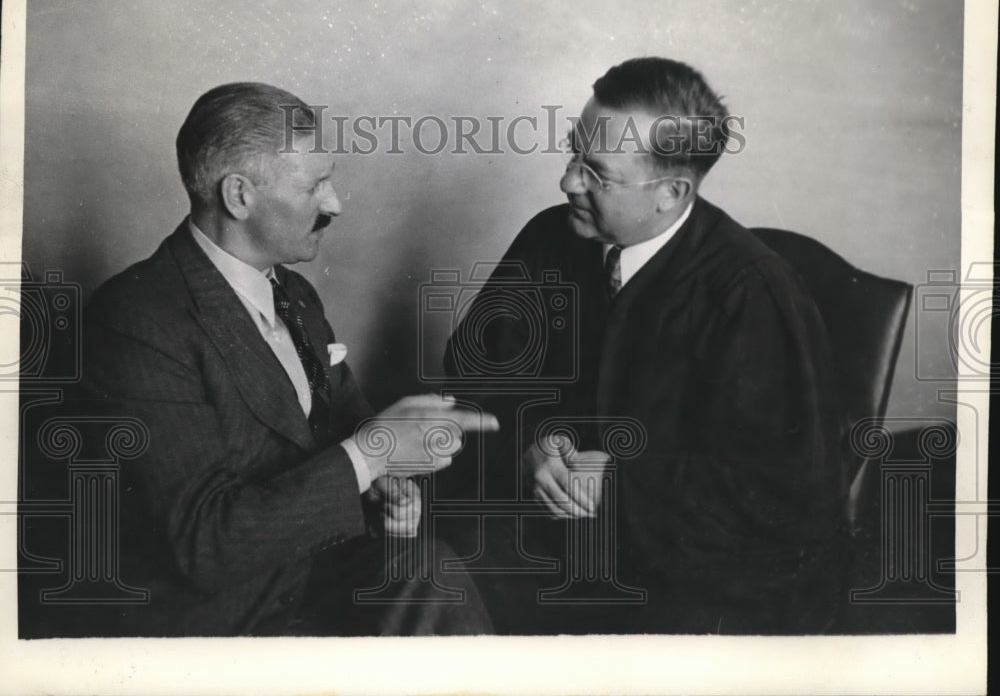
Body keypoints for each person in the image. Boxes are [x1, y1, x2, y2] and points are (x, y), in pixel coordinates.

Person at [443, 57, 850, 634]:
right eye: (573, 154)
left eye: (596, 173)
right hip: (554, 533)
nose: (568, 182)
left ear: (671, 192)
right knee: (426, 573)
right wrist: (533, 441)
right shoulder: (548, 239)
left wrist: (618, 480)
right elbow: (473, 372)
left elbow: (782, 492)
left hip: (694, 576)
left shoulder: (751, 294)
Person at [74, 82, 498, 636]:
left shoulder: (295, 295)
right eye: (315, 186)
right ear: (239, 197)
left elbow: (346, 445)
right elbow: (206, 547)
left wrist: (387, 490)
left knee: (430, 565)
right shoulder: (135, 319)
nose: (335, 204)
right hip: (218, 621)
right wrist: (373, 452)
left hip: (307, 579)